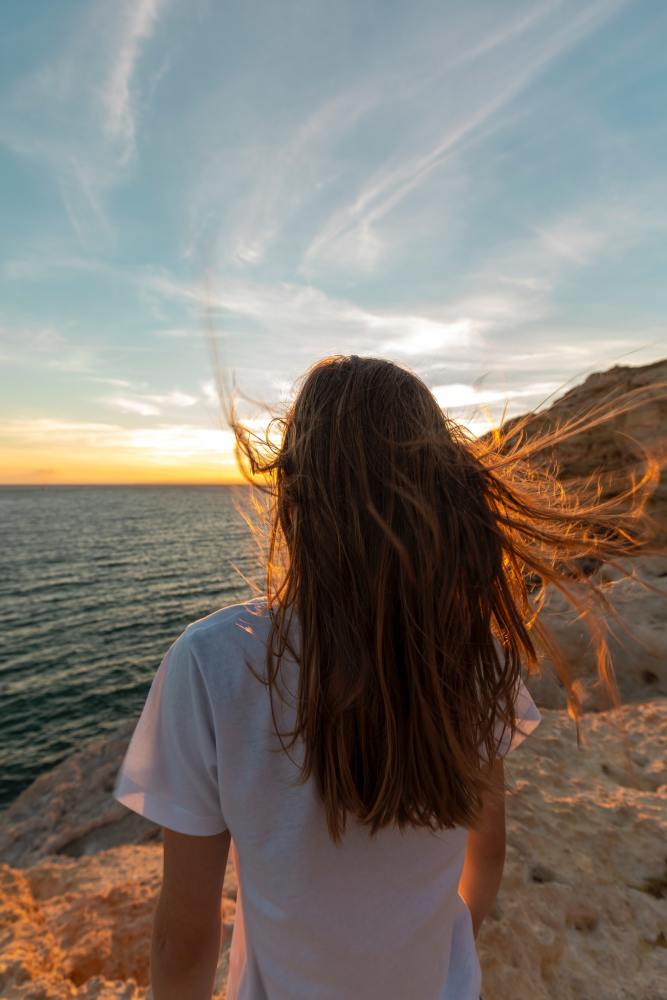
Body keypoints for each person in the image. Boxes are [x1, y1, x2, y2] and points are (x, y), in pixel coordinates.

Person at [113, 354, 658, 999]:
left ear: (294, 495)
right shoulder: (475, 656)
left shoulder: (213, 663)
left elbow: (184, 938)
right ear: (438, 491)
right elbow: (486, 856)